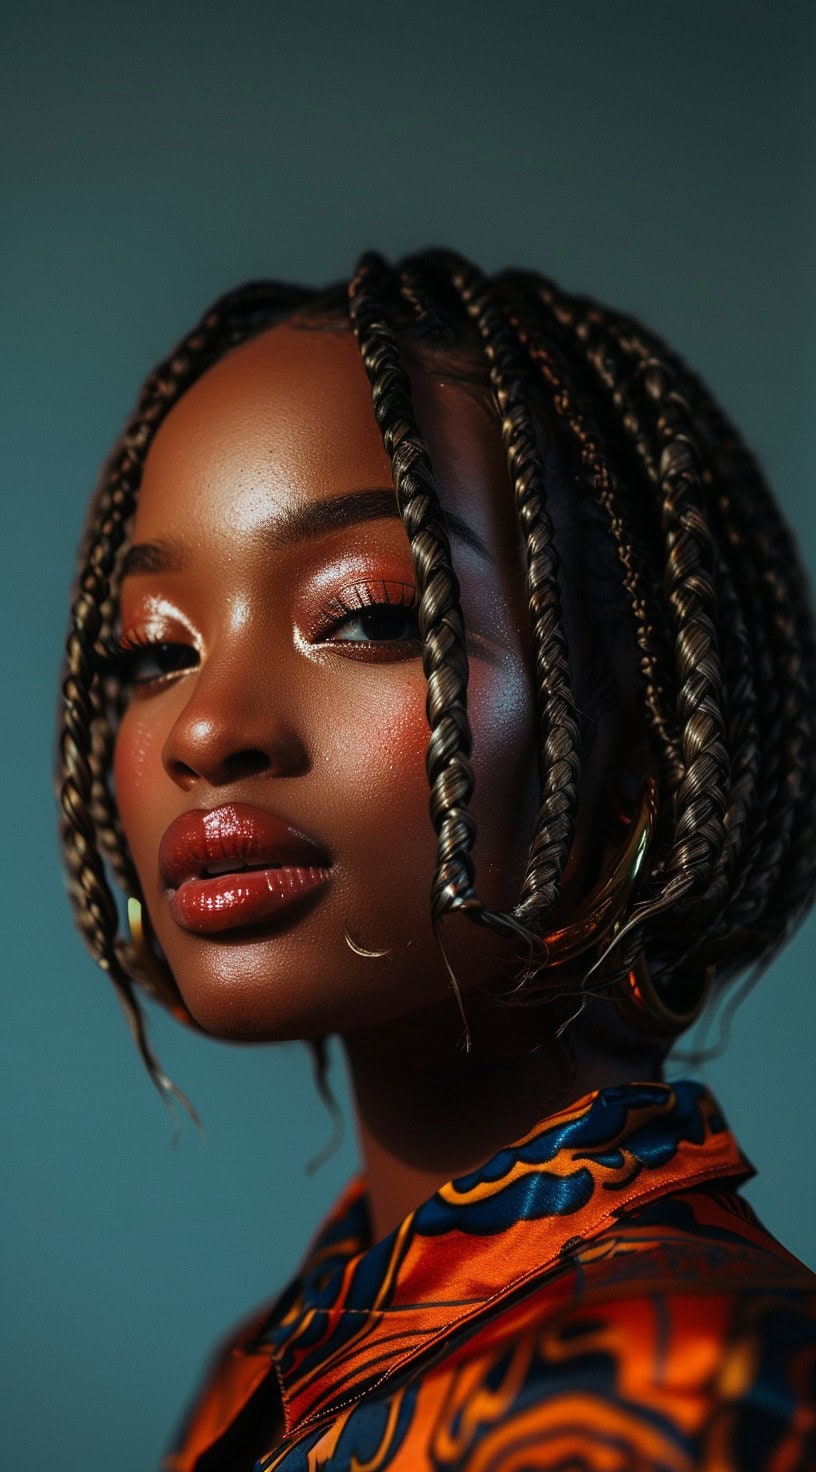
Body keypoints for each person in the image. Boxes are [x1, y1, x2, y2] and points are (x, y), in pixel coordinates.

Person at [57, 249, 816, 1470]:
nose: (205, 728)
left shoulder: (694, 1385)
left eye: (368, 615)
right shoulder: (264, 1374)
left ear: (638, 738)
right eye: (153, 651)